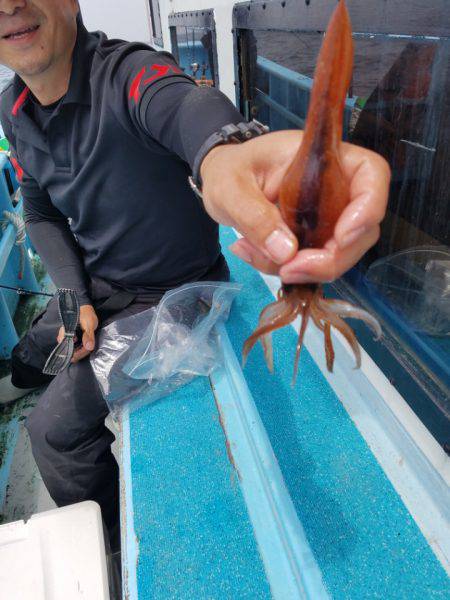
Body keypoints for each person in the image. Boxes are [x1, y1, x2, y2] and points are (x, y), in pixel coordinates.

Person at [0, 0, 390, 553]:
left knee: (53, 433)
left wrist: (228, 154)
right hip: (95, 282)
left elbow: (189, 109)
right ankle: (23, 371)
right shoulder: (11, 110)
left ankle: (111, 547)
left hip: (170, 296)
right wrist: (72, 291)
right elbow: (38, 211)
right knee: (36, 347)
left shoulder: (131, 74)